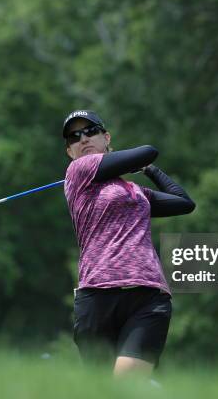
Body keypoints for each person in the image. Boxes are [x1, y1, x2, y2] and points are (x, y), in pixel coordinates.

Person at [62, 109, 195, 377]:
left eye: (90, 131)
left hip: (147, 293)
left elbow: (184, 203)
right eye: (74, 137)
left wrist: (149, 170)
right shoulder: (78, 171)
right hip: (97, 293)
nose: (83, 139)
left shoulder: (136, 192)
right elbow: (148, 149)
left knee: (126, 385)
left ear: (106, 137)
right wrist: (138, 161)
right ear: (70, 152)